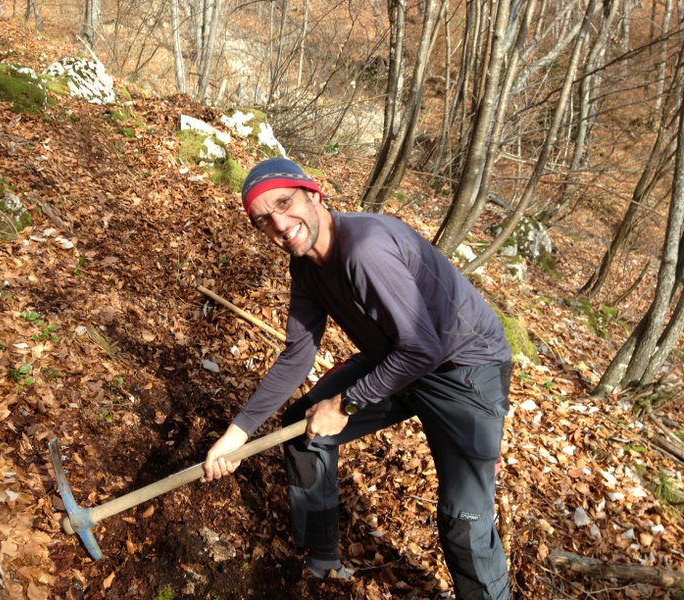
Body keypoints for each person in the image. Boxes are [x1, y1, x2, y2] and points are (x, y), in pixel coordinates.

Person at [203, 157, 512, 599]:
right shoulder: (306, 266)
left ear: (313, 193)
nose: (280, 223)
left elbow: (424, 346)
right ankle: (322, 561)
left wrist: (346, 404)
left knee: (464, 520)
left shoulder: (364, 248)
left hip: (463, 370)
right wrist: (238, 432)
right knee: (303, 433)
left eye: (285, 203)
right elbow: (297, 354)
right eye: (264, 219)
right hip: (397, 356)